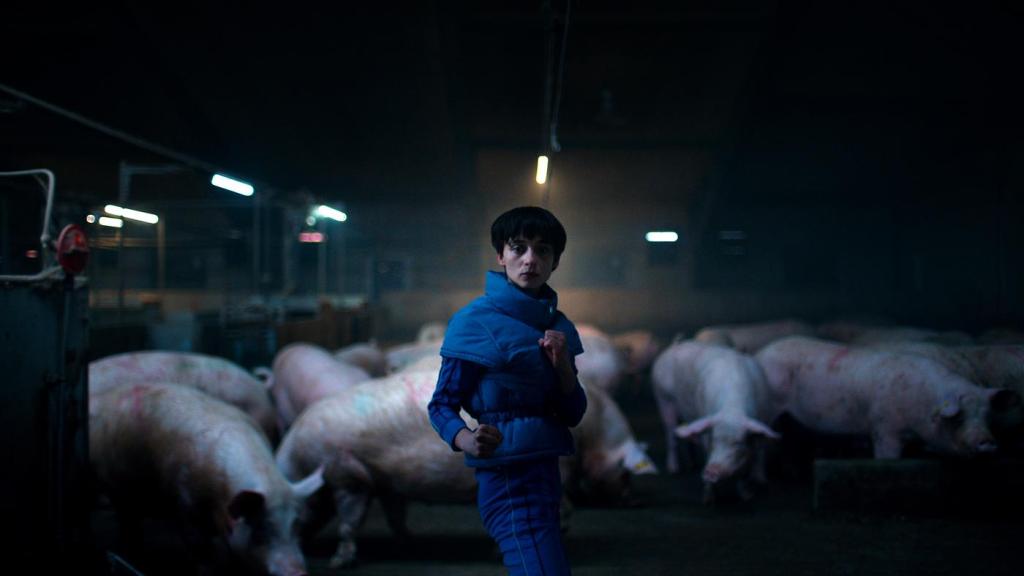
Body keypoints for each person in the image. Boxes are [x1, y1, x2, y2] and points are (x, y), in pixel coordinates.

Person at [428, 206, 587, 576]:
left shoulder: (558, 326)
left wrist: (562, 364)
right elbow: (441, 405)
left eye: (543, 250)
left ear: (555, 261)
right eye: (518, 248)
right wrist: (466, 440)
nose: (530, 259)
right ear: (501, 255)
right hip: (506, 474)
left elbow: (573, 413)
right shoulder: (473, 321)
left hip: (546, 472)